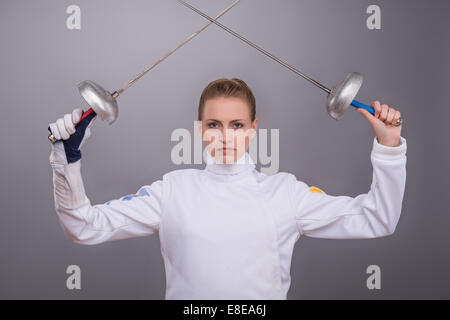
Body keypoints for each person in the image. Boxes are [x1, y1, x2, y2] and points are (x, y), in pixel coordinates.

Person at [48, 78, 407, 299]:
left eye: (236, 124)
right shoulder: (173, 190)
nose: (224, 136)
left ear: (253, 128)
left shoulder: (286, 193)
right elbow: (83, 227)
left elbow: (377, 219)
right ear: (200, 129)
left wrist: (390, 148)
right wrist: (67, 158)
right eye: (214, 124)